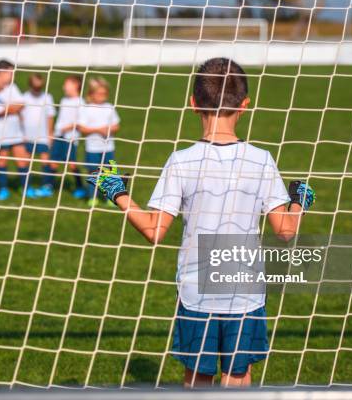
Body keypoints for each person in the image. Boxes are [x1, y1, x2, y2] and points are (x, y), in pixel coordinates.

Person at [86, 58, 316, 388]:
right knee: (239, 375)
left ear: (193, 104)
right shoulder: (261, 159)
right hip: (245, 291)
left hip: (196, 293)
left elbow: (154, 230)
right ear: (245, 105)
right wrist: (299, 202)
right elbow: (286, 230)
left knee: (197, 380)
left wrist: (117, 191)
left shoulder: (181, 161)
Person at [0, 59, 29, 201]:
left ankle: (25, 188)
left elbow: (22, 105)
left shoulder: (13, 87)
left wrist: (11, 107)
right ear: (1, 73)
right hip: (0, 133)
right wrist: (13, 107)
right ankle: (3, 189)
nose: (12, 75)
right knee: (2, 162)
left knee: (22, 161)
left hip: (16, 132)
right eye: (10, 72)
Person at [76, 77, 120, 207]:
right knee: (93, 172)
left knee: (110, 173)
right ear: (91, 94)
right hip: (92, 148)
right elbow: (82, 128)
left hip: (108, 148)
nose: (102, 96)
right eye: (99, 93)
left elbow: (116, 126)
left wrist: (109, 129)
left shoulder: (109, 107)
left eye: (104, 93)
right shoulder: (86, 108)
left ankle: (110, 197)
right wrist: (98, 130)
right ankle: (92, 197)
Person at [43, 75, 87, 199]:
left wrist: (68, 127)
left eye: (67, 84)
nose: (64, 87)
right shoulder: (64, 100)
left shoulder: (80, 102)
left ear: (76, 85)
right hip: (59, 136)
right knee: (53, 162)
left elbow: (81, 122)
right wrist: (54, 132)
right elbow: (61, 118)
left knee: (71, 164)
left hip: (70, 138)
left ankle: (79, 187)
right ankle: (48, 186)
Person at [21, 73, 56, 198]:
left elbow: (50, 116)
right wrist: (22, 132)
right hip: (28, 135)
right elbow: (21, 115)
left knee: (45, 160)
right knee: (26, 161)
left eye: (39, 87)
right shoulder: (24, 97)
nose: (37, 89)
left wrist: (50, 133)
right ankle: (26, 186)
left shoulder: (47, 97)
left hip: (43, 135)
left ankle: (47, 186)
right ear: (30, 85)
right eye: (34, 86)